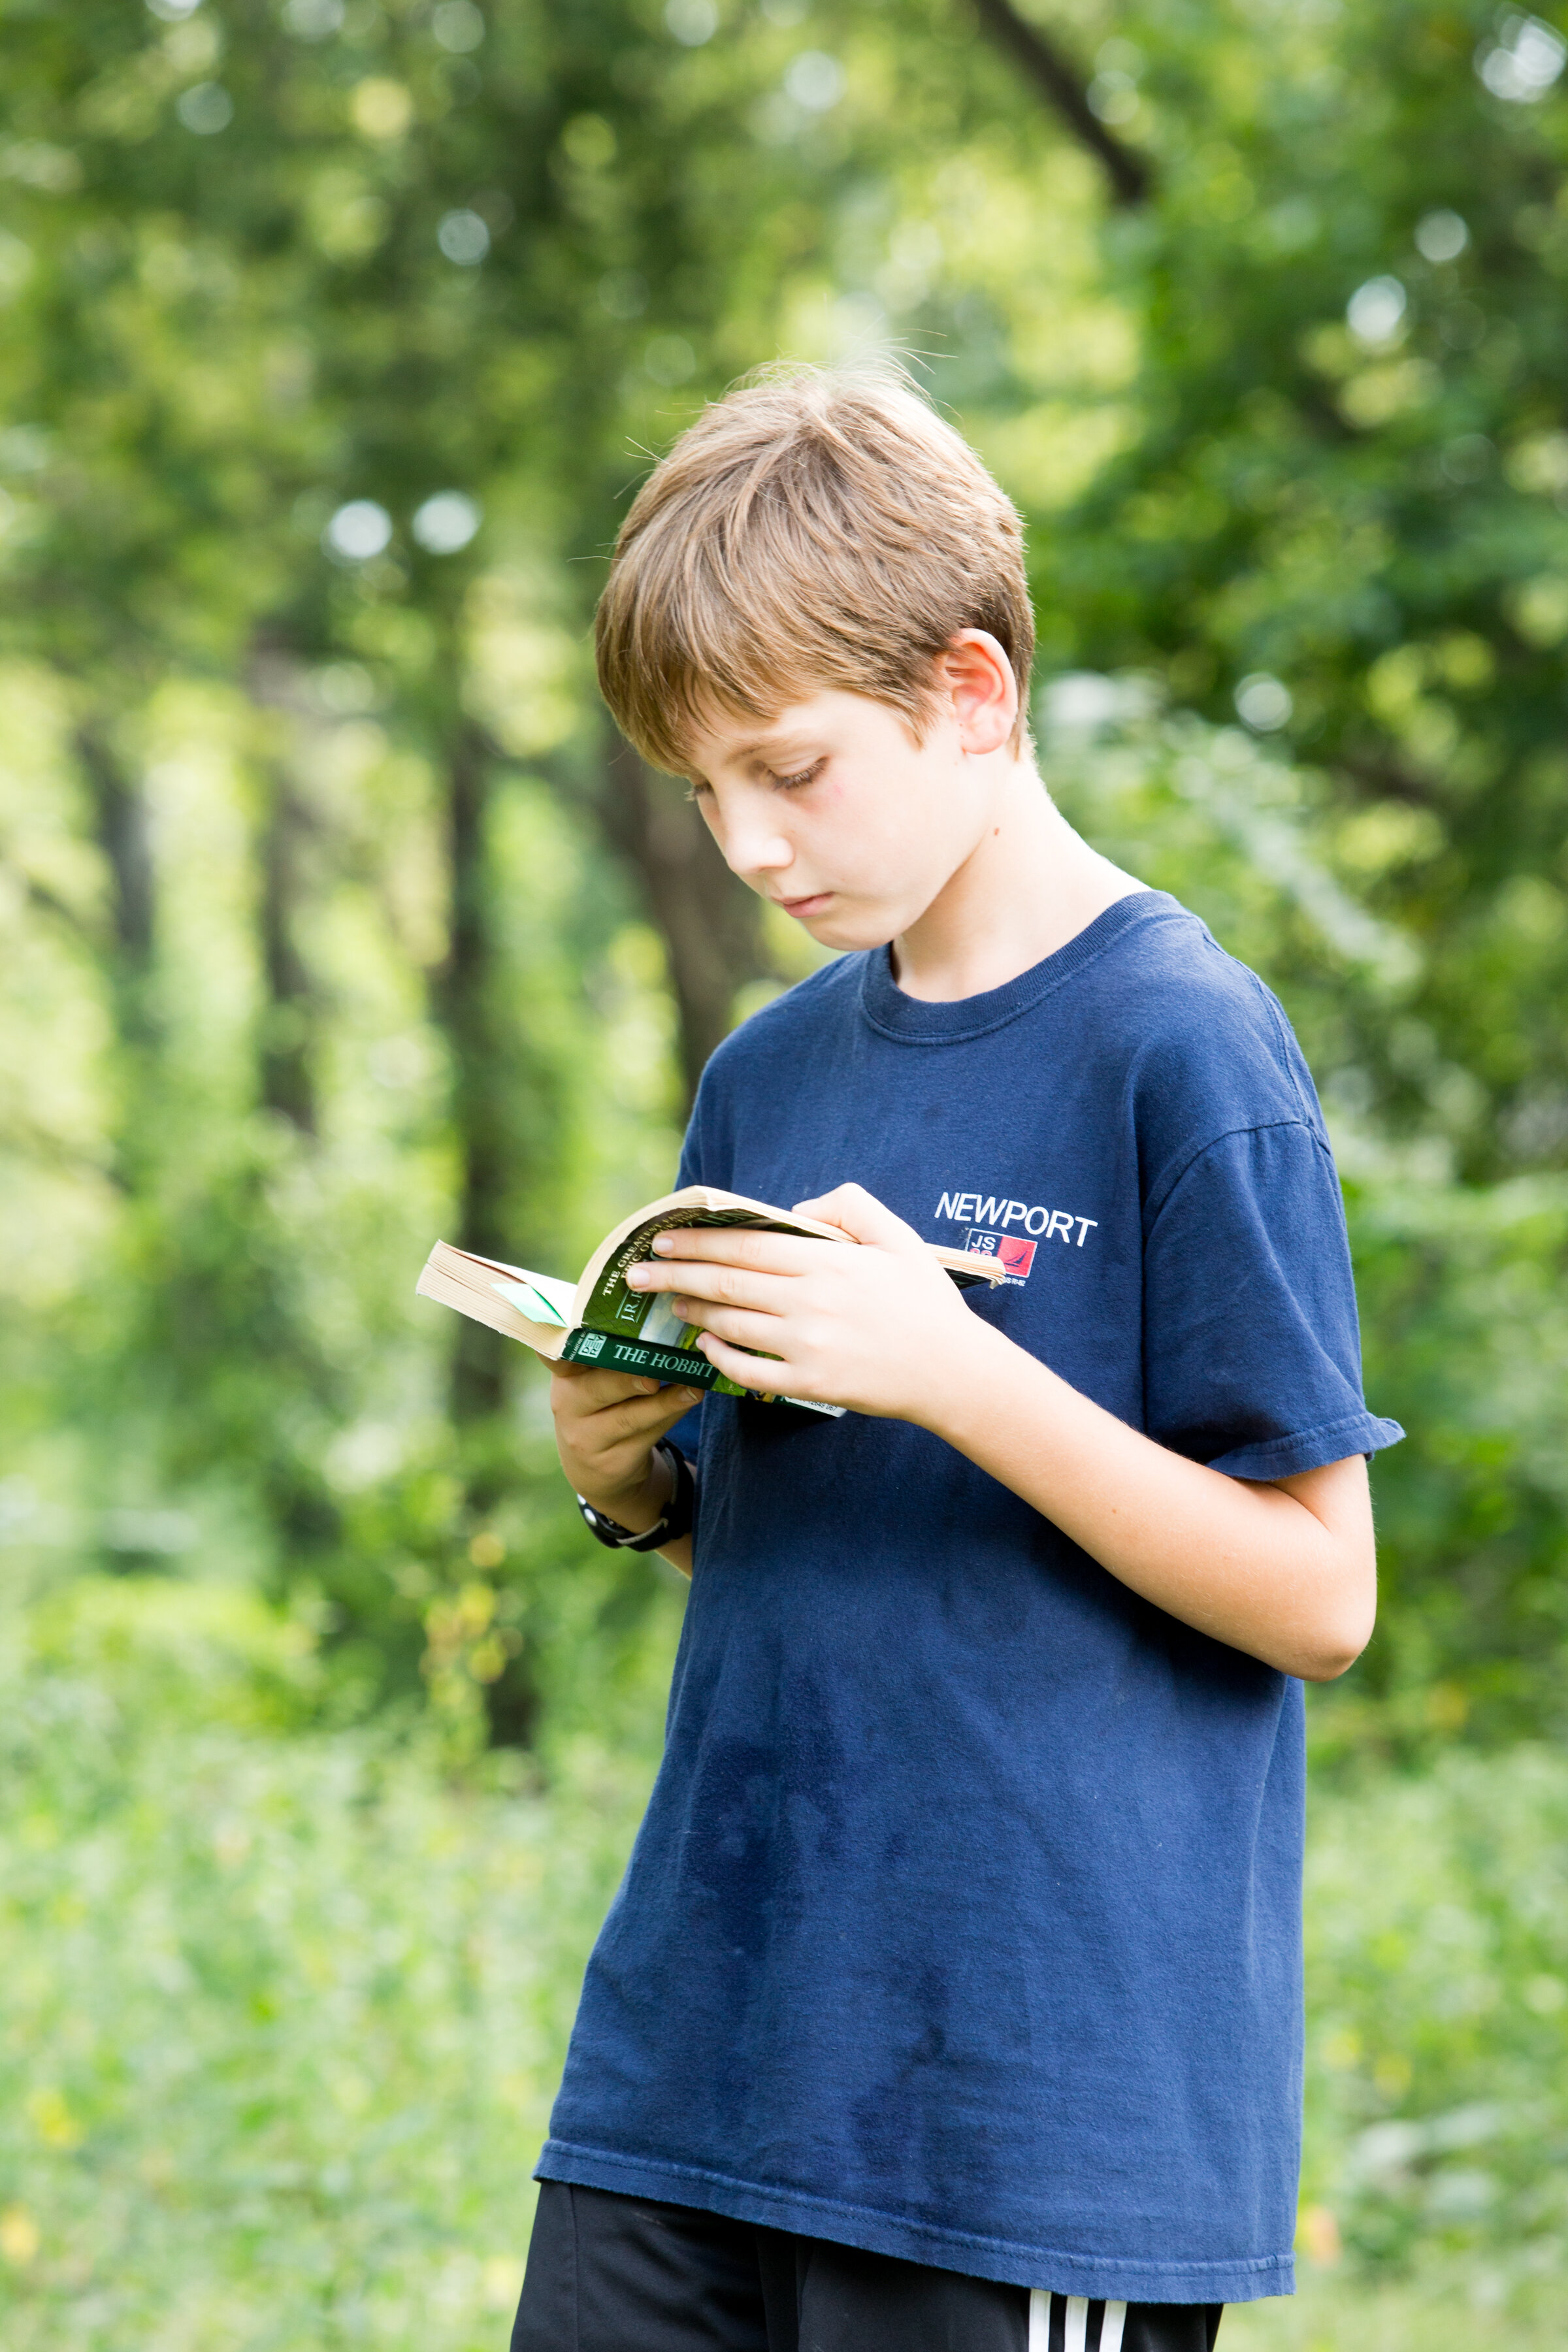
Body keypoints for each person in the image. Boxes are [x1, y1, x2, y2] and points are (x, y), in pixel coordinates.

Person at [510, 368, 1402, 2352]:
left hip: (1019, 2117)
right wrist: (622, 1467)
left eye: (791, 768)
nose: (747, 841)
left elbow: (1321, 1594)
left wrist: (956, 1369)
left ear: (974, 693)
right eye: (700, 789)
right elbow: (780, 1559)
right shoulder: (771, 1073)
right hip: (695, 2074)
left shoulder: (1184, 1047)